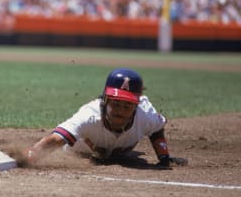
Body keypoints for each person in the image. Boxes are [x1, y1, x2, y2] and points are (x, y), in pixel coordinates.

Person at [21, 68, 187, 168]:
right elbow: (56, 139)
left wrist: (164, 157)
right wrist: (30, 156)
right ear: (105, 99)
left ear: (137, 105)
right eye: (116, 103)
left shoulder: (146, 116)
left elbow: (157, 129)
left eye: (127, 105)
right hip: (79, 153)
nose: (120, 110)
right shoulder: (89, 116)